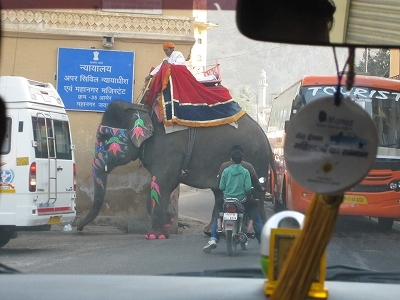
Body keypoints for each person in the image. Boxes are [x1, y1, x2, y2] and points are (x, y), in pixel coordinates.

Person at [203, 147, 264, 253]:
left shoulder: (224, 168)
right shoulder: (247, 169)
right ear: (242, 157)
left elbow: (221, 186)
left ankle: (215, 233)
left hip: (227, 199)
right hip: (242, 200)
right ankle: (257, 235)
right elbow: (248, 188)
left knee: (218, 206)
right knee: (254, 207)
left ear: (231, 158)